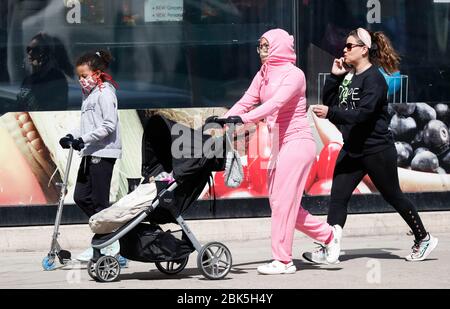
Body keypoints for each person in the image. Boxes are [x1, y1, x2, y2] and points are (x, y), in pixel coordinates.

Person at [308, 28, 438, 263]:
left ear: (363, 50)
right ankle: (329, 247)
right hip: (352, 148)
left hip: (376, 149)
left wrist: (332, 112)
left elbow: (363, 115)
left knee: (393, 196)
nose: (344, 51)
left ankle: (423, 237)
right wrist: (334, 77)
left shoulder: (375, 80)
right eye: (344, 46)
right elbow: (331, 103)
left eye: (349, 46)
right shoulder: (350, 76)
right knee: (338, 197)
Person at [222, 28, 340, 275]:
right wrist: (223, 119)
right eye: (260, 46)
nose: (261, 51)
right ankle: (329, 235)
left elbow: (273, 104)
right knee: (281, 204)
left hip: (297, 141)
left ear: (278, 47)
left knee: (282, 203)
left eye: (266, 46)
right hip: (279, 142)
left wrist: (240, 119)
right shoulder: (263, 73)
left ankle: (284, 261)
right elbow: (247, 99)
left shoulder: (294, 75)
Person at [58, 50, 127, 266]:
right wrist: (72, 136)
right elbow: (87, 123)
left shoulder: (106, 93)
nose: (81, 80)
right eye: (79, 77)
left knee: (99, 201)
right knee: (80, 196)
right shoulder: (89, 95)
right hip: (90, 151)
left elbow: (108, 125)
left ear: (97, 73)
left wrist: (84, 139)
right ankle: (109, 236)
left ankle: (108, 244)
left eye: (85, 75)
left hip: (104, 152)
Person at [17, 32, 72, 112]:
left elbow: (58, 108)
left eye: (36, 50)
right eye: (28, 49)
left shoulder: (56, 78)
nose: (30, 53)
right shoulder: (27, 80)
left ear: (46, 53)